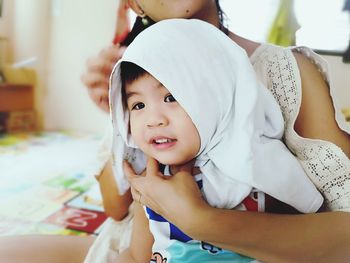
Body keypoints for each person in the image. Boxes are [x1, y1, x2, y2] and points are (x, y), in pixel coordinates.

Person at [1, 0, 349, 262]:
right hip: (125, 246)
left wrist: (201, 220)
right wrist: (121, 124)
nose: (153, 114)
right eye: (138, 104)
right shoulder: (135, 78)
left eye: (171, 97)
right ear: (134, 4)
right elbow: (115, 207)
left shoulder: (284, 72)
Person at [110, 18, 325, 262]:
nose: (153, 120)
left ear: (214, 97)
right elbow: (139, 256)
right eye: (138, 105)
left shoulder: (259, 166)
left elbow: (298, 244)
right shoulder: (152, 182)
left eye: (171, 97)